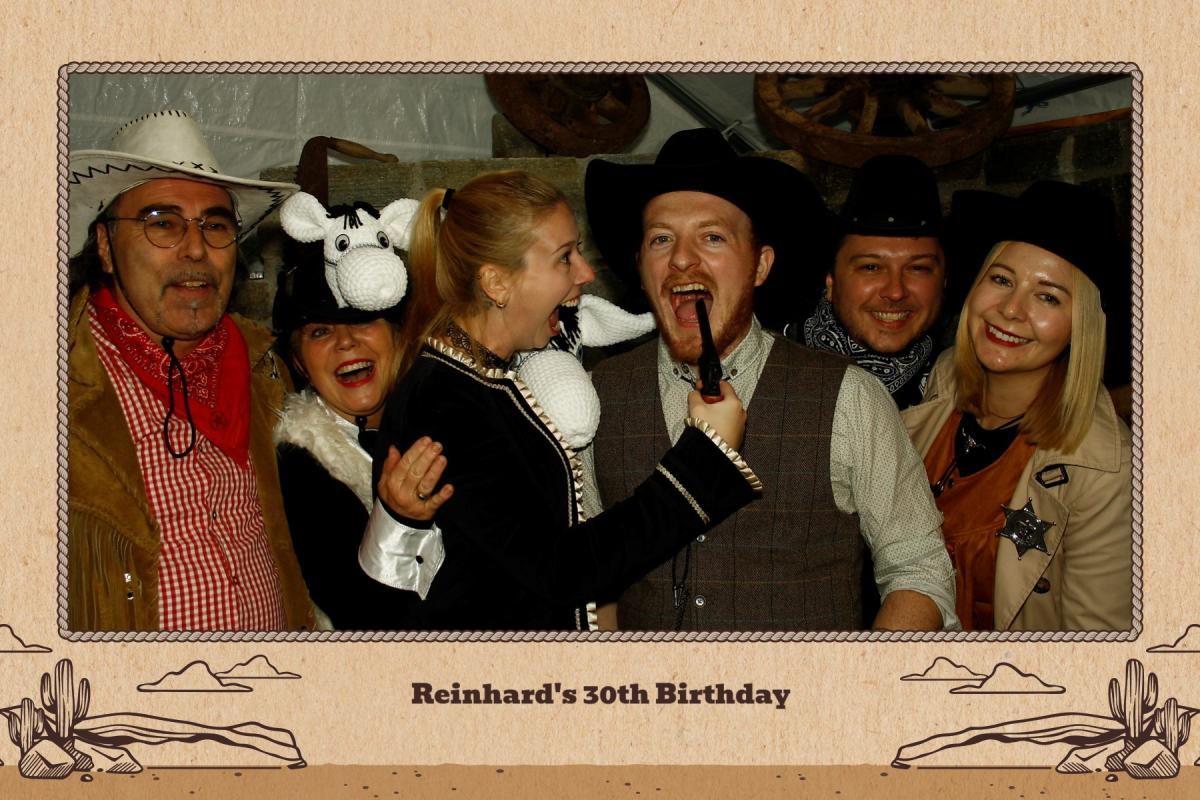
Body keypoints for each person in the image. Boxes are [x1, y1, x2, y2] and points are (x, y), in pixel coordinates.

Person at [584, 129, 957, 631]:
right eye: (661, 239)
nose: (682, 258)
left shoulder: (849, 398)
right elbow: (592, 575)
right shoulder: (597, 396)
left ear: (760, 265)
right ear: (641, 266)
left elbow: (919, 568)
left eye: (712, 237)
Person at [364, 170, 761, 631]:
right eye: (564, 258)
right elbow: (562, 569)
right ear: (496, 283)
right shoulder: (446, 403)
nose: (586, 274)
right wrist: (705, 459)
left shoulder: (476, 381)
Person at [66, 110, 314, 630]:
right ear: (106, 247)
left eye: (215, 225)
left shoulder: (267, 368)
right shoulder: (51, 387)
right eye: (162, 223)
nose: (197, 248)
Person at [901, 181, 1132, 631]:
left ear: (1081, 325)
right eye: (1002, 279)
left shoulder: (1106, 474)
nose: (1010, 309)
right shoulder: (943, 381)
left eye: (1048, 296)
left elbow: (1096, 650)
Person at [272, 199, 453, 630]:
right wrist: (399, 520)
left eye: (364, 320)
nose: (346, 342)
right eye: (320, 331)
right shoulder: (298, 464)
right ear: (300, 362)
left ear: (400, 335)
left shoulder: (448, 421)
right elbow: (364, 615)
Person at [784, 155, 947, 411]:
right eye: (870, 267)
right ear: (831, 281)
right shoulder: (771, 366)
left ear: (944, 282)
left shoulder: (961, 386)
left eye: (918, 268)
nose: (895, 292)